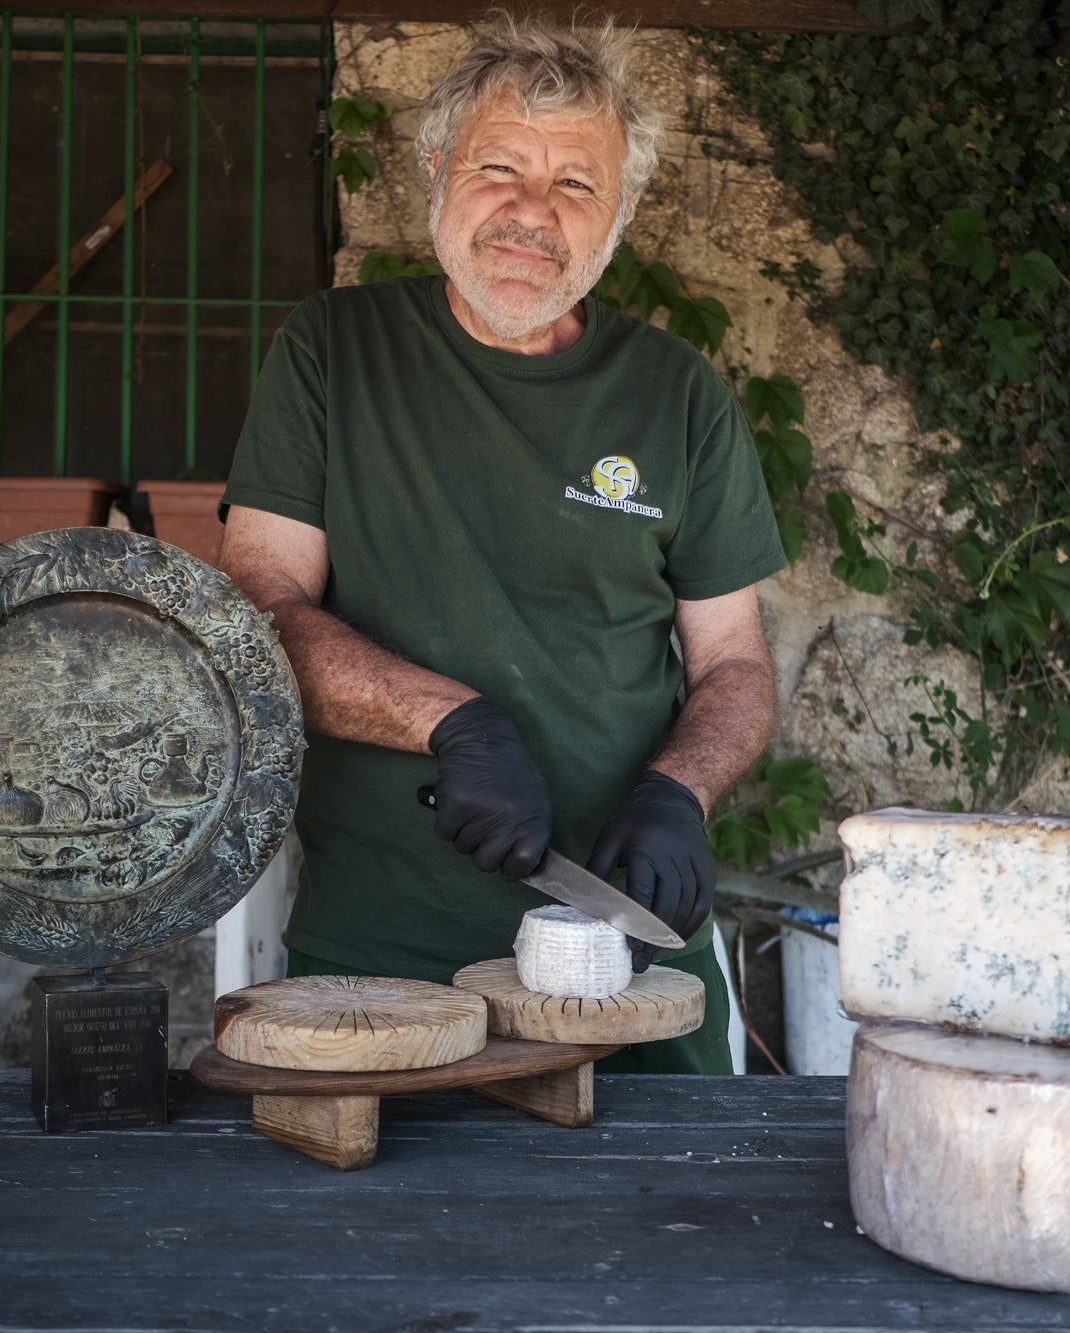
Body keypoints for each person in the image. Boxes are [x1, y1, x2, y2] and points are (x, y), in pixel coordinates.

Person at [217, 15, 784, 1073]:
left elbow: (735, 664)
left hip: (625, 959)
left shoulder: (678, 396)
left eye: (577, 183)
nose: (534, 212)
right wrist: (452, 723)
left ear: (617, 214)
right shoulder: (333, 353)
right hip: (380, 958)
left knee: (673, 1221)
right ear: (436, 171)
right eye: (500, 167)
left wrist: (681, 790)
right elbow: (257, 621)